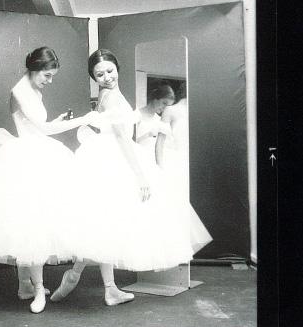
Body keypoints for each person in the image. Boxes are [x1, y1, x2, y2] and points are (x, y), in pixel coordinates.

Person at [52, 50, 212, 307]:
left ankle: (98, 284)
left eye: (110, 71)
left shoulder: (108, 95)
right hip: (113, 159)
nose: (107, 77)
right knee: (106, 223)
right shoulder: (111, 98)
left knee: (104, 225)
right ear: (94, 77)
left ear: (117, 68)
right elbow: (122, 139)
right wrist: (141, 176)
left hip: (107, 156)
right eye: (100, 74)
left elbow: (122, 125)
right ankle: (85, 279)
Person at [0, 46, 92, 312]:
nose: (49, 81)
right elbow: (44, 129)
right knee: (30, 224)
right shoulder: (19, 91)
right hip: (27, 156)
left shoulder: (32, 88)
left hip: (36, 150)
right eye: (47, 75)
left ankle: (25, 286)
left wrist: (57, 120)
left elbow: (36, 125)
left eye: (52, 76)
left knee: (30, 224)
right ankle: (38, 290)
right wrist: (83, 119)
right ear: (34, 68)